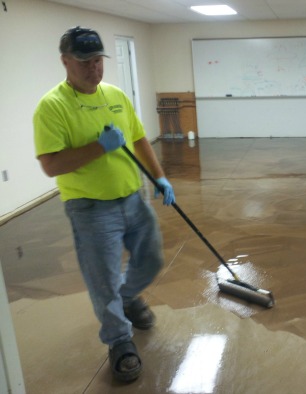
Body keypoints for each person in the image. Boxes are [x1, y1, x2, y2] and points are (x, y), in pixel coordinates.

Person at [33, 26, 174, 383]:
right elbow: (51, 165)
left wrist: (159, 176)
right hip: (91, 209)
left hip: (133, 196)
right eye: (84, 62)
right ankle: (119, 341)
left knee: (153, 258)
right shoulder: (52, 107)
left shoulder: (114, 94)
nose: (94, 69)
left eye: (98, 61)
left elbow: (140, 137)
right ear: (66, 61)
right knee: (103, 280)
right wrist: (100, 147)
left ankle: (127, 298)